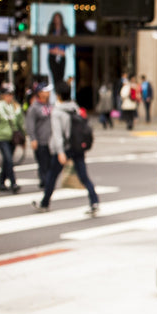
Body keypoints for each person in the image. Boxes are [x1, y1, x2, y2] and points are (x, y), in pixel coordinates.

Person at [32, 80, 99, 215]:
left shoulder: (57, 112)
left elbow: (57, 135)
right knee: (83, 176)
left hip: (65, 148)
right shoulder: (75, 107)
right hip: (77, 146)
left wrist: (60, 152)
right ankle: (94, 201)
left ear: (58, 95)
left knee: (52, 176)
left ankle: (45, 203)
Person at [24, 84, 54, 191]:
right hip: (40, 140)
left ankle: (47, 181)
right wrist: (33, 138)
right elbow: (30, 124)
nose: (48, 93)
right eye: (46, 91)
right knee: (43, 163)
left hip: (51, 141)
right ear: (40, 93)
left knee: (51, 163)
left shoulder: (51, 105)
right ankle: (45, 182)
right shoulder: (34, 108)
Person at [47, 11, 68, 85]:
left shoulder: (64, 31)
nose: (57, 20)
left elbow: (67, 44)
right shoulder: (51, 30)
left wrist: (60, 51)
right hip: (53, 55)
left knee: (61, 77)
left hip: (61, 55)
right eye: (55, 18)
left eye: (58, 18)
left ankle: (60, 94)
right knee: (55, 77)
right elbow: (49, 44)